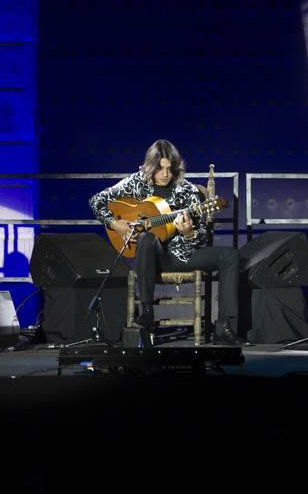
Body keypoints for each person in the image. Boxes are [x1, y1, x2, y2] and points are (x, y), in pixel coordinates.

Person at [90, 139, 241, 347]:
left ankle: (224, 327)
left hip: (180, 257)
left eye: (169, 169)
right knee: (147, 238)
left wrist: (189, 234)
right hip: (149, 257)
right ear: (150, 167)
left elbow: (203, 235)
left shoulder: (187, 191)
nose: (165, 174)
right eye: (159, 169)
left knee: (230, 256)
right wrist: (116, 225)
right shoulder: (136, 183)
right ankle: (147, 312)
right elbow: (97, 200)